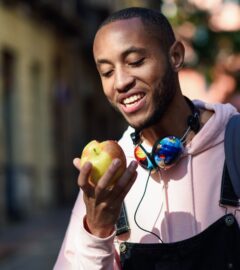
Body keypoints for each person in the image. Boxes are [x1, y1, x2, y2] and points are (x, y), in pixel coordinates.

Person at [54, 7, 240, 270]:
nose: (120, 82)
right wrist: (97, 230)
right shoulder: (108, 181)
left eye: (135, 61)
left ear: (175, 56)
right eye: (107, 72)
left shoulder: (234, 145)